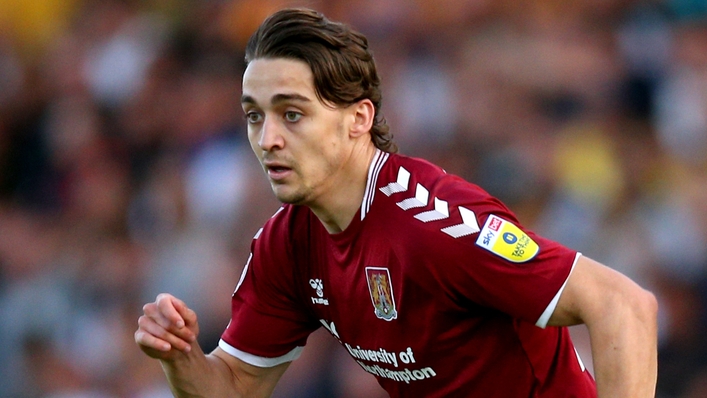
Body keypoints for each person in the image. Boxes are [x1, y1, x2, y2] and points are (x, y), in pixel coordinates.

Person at [135, 7, 658, 397]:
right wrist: (180, 358)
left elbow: (623, 304)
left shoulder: (434, 220)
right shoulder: (287, 243)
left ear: (358, 118)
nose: (268, 137)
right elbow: (235, 385)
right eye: (255, 116)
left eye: (292, 114)